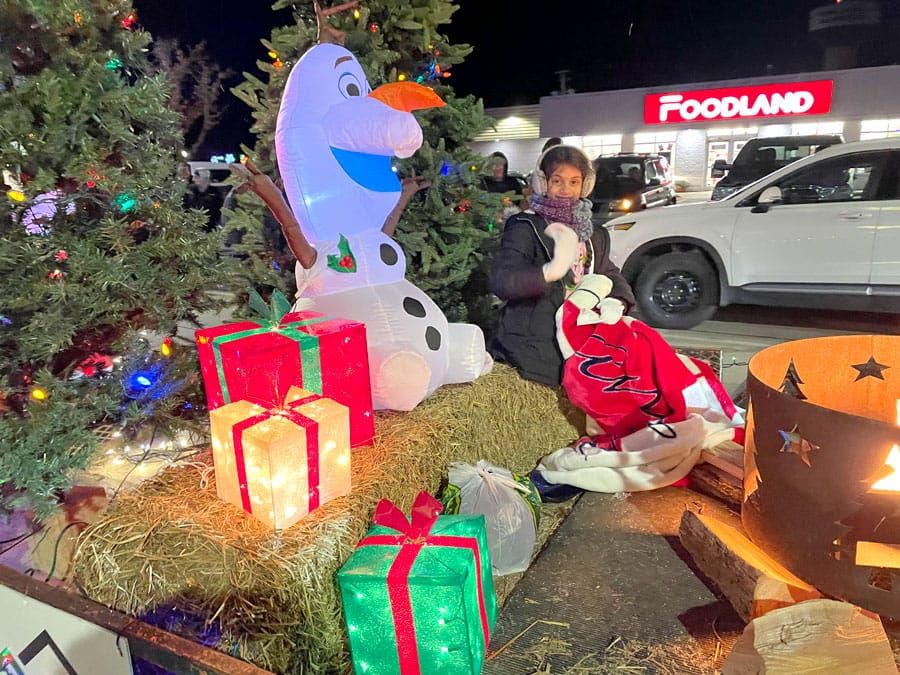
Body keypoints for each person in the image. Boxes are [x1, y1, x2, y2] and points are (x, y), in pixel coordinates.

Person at [489, 145, 635, 387]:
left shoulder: (594, 234)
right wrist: (548, 272)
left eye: (574, 182)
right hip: (535, 348)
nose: (566, 190)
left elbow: (608, 272)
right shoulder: (525, 226)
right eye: (557, 181)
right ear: (543, 183)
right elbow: (503, 281)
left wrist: (618, 300)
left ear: (585, 185)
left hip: (583, 341)